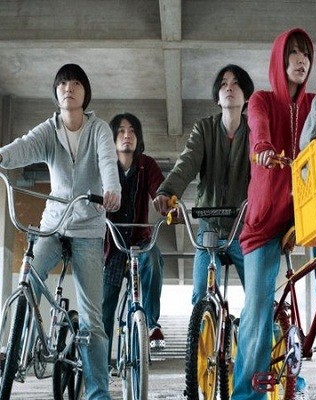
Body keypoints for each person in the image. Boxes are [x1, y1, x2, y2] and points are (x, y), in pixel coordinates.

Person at [0, 63, 121, 399]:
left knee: (92, 318)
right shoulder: (49, 130)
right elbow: (22, 147)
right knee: (30, 277)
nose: (69, 88)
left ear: (85, 92)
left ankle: (98, 393)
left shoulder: (98, 130)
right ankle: (22, 348)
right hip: (53, 224)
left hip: (87, 226)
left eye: (76, 83)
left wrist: (112, 190)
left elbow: (108, 162)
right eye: (63, 83)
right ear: (56, 93)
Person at [231, 28, 315, 400]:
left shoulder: (314, 104)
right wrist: (264, 146)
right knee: (259, 306)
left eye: (306, 54)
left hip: (305, 211)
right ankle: (246, 394)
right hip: (264, 220)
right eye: (293, 52)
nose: (301, 59)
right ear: (279, 60)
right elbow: (258, 126)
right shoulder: (261, 100)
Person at [152, 64, 254, 305]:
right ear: (217, 97)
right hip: (209, 230)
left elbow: (263, 174)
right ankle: (204, 326)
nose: (229, 88)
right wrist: (168, 191)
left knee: (259, 296)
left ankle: (259, 330)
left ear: (247, 96)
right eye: (223, 84)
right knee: (200, 294)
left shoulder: (254, 132)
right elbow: (186, 163)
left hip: (244, 229)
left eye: (236, 83)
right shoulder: (204, 129)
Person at [102, 112, 165, 370]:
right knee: (106, 304)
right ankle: (102, 363)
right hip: (112, 246)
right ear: (113, 137)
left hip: (139, 242)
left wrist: (163, 199)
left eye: (132, 131)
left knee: (154, 259)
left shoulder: (146, 165)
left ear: (138, 138)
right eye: (120, 131)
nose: (126, 135)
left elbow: (159, 187)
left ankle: (150, 324)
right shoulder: (105, 165)